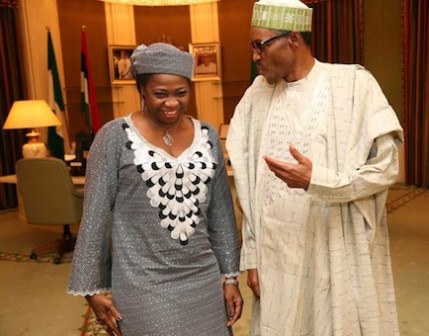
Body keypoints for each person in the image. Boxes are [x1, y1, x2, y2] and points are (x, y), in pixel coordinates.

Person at [226, 0, 404, 335]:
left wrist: (318, 181)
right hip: (276, 253)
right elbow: (248, 189)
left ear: (292, 38)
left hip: (332, 244)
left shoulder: (352, 84)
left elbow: (385, 167)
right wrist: (252, 259)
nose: (254, 57)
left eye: (259, 46)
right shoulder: (256, 96)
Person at [68, 42, 243, 336]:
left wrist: (230, 277)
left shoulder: (207, 135)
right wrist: (91, 289)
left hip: (203, 279)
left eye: (180, 93)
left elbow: (222, 214)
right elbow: (94, 216)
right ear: (142, 91)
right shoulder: (113, 137)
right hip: (142, 282)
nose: (172, 102)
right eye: (160, 94)